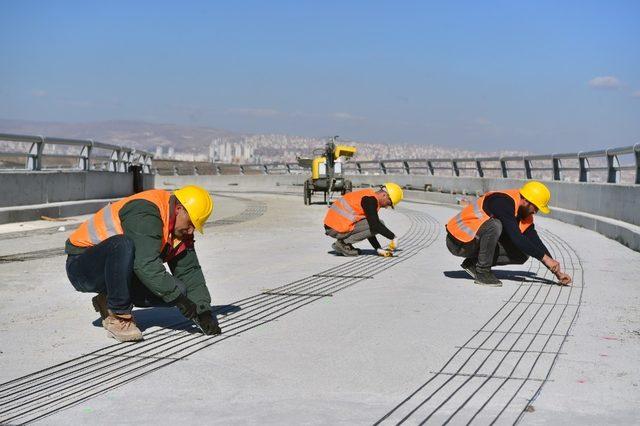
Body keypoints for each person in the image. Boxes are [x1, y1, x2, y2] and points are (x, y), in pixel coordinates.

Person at [65, 185, 221, 342]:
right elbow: (146, 265)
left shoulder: (178, 230)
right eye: (191, 223)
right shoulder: (146, 211)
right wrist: (179, 300)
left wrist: (203, 311)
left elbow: (189, 271)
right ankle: (119, 318)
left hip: (114, 271)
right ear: (179, 209)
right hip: (82, 267)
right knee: (123, 245)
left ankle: (108, 299)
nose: (191, 230)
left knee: (180, 290)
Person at [445, 181, 572, 287]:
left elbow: (533, 240)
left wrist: (555, 270)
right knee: (495, 225)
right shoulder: (503, 202)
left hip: (473, 242)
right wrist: (545, 259)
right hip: (458, 242)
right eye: (536, 207)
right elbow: (517, 238)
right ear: (526, 201)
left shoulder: (524, 212)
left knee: (521, 254)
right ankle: (482, 272)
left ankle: (473, 263)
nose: (536, 211)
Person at [324, 183, 403, 257]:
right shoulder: (370, 200)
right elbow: (375, 225)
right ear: (384, 195)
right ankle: (342, 244)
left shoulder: (368, 196)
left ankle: (343, 243)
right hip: (335, 228)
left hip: (334, 226)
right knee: (379, 223)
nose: (386, 207)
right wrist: (393, 237)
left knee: (377, 223)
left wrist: (378, 249)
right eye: (389, 203)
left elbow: (370, 227)